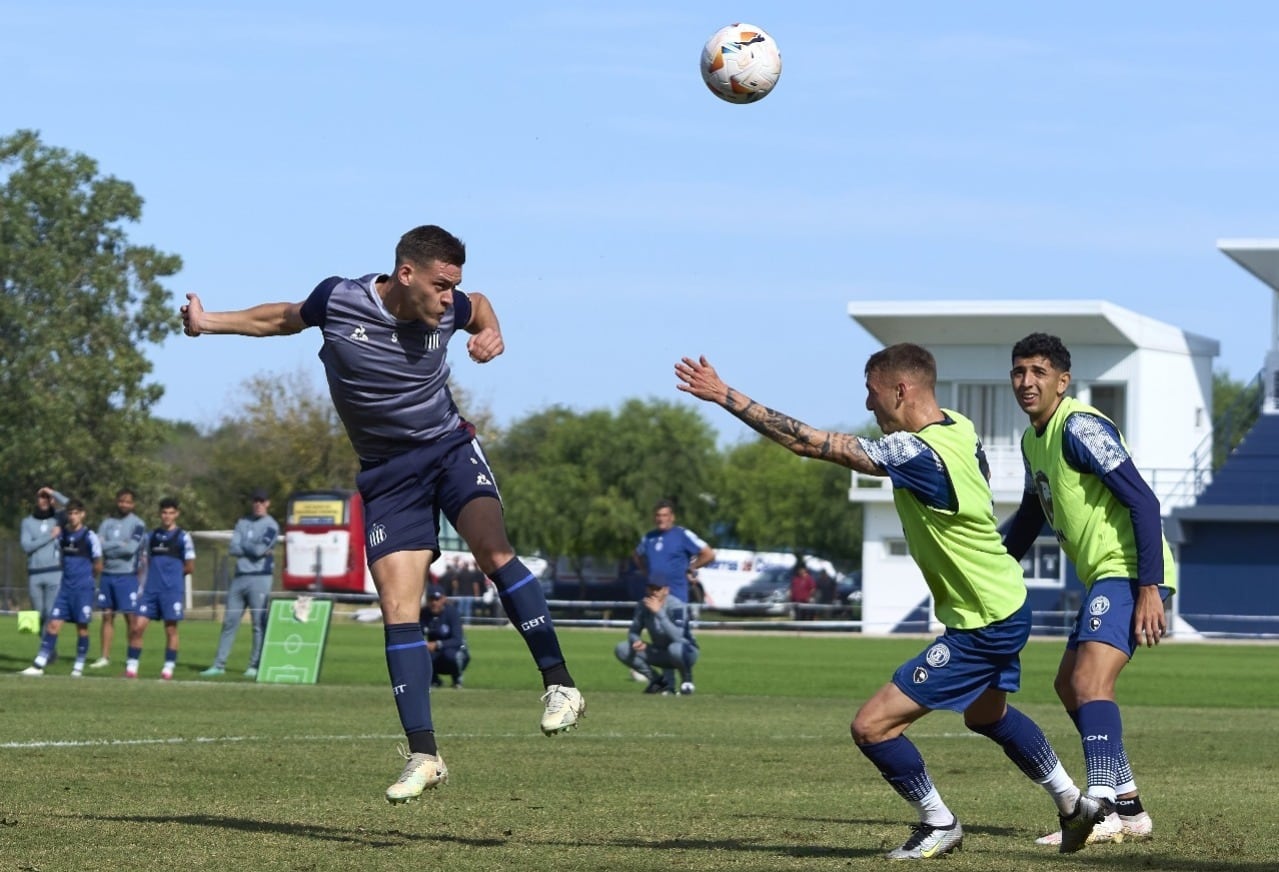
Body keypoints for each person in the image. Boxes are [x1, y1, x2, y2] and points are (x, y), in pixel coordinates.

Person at [180, 223, 585, 804]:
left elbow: (483, 307)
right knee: (397, 607)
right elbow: (281, 318)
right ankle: (424, 754)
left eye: (455, 289)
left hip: (448, 450)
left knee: (492, 551)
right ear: (406, 274)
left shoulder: (450, 309)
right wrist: (208, 321)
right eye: (442, 286)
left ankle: (560, 685)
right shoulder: (339, 299)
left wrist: (492, 331)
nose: (450, 299)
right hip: (388, 475)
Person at [676, 346, 1104, 857]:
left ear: (901, 390)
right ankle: (1074, 804)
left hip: (983, 621)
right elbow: (979, 479)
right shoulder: (959, 428)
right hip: (1005, 601)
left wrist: (725, 395)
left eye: (871, 392)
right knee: (987, 716)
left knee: (873, 726)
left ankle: (938, 823)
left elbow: (813, 445)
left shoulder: (915, 452)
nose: (867, 404)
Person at [1003, 333, 1173, 847]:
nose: (1027, 381)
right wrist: (989, 566)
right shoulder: (1035, 440)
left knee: (1092, 684)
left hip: (1127, 573)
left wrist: (1148, 587)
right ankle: (1127, 805)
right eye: (1018, 372)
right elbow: (1032, 516)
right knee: (1068, 685)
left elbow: (1144, 502)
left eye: (1038, 371)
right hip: (1105, 577)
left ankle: (1098, 809)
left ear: (1062, 380)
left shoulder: (1080, 426)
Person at [202, 488, 280, 679]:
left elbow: (259, 549)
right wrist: (252, 547)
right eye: (256, 501)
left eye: (262, 501)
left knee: (258, 624)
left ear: (268, 503)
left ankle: (255, 665)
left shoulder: (271, 525)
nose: (258, 504)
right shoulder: (242, 522)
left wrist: (247, 545)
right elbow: (233, 548)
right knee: (229, 622)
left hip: (260, 578)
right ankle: (219, 665)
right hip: (240, 577)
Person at [21, 499, 102, 677]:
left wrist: (88, 580)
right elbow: (61, 559)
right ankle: (38, 664)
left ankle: (78, 666)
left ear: (82, 514)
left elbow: (98, 564)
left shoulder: (89, 536)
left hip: (83, 589)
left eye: (75, 513)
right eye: (70, 513)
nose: (72, 516)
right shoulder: (63, 536)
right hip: (65, 589)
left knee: (81, 627)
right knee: (53, 625)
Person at [127, 497, 195, 680]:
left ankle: (168, 668)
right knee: (137, 627)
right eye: (164, 512)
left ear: (177, 514)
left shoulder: (183, 537)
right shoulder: (151, 536)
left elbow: (190, 567)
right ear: (160, 514)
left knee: (171, 629)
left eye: (171, 512)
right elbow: (145, 561)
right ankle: (131, 668)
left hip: (171, 591)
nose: (167, 516)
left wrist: (171, 577)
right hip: (150, 591)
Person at [91, 488, 147, 670]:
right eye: (121, 501)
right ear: (117, 502)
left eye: (128, 502)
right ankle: (104, 657)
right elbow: (98, 547)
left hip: (127, 576)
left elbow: (131, 549)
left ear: (133, 504)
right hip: (107, 575)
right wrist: (118, 545)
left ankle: (131, 659)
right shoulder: (106, 523)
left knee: (131, 619)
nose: (124, 504)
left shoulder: (138, 524)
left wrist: (110, 546)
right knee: (107, 616)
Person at [613, 580, 699, 695]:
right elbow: (633, 631)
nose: (654, 592)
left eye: (658, 589)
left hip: (686, 652)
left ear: (666, 590)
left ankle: (686, 681)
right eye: (651, 588)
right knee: (622, 648)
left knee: (675, 648)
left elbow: (678, 638)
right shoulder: (643, 606)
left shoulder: (677, 606)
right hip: (661, 652)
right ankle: (659, 682)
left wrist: (659, 613)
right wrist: (636, 641)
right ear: (646, 589)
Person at [634, 500, 716, 606]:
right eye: (658, 515)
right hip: (654, 599)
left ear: (672, 517)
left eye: (664, 515)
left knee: (674, 622)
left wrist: (691, 568)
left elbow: (709, 554)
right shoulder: (649, 537)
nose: (661, 519)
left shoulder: (682, 535)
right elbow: (636, 555)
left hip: (676, 596)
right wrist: (646, 571)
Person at [20, 487, 68, 633]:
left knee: (50, 612)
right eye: (42, 497)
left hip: (54, 572)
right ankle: (45, 645)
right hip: (35, 573)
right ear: (37, 500)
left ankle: (46, 651)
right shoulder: (27, 522)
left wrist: (53, 492)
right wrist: (50, 536)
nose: (44, 500)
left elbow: (72, 505)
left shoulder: (59, 518)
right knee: (38, 613)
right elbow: (26, 546)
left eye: (47, 497)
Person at [421, 585, 469, 688]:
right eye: (431, 599)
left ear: (443, 599)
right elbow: (418, 633)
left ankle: (457, 678)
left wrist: (438, 644)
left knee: (450, 655)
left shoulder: (452, 613)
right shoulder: (424, 614)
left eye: (437, 599)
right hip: (434, 653)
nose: (434, 603)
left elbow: (458, 640)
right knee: (419, 654)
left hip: (453, 650)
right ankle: (434, 680)